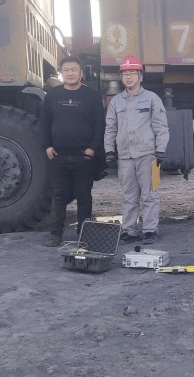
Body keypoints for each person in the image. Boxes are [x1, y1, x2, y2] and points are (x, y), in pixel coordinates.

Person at [104, 55, 169, 245]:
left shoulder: (152, 99)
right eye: (125, 74)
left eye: (132, 73)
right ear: (121, 77)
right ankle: (129, 230)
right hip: (125, 157)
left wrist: (160, 151)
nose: (129, 77)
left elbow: (161, 127)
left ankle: (150, 230)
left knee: (151, 193)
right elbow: (110, 128)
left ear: (141, 76)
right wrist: (109, 151)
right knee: (128, 196)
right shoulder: (116, 102)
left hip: (150, 156)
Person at [41, 56, 106, 247]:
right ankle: (55, 234)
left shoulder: (92, 96)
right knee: (58, 196)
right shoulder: (52, 96)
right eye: (66, 70)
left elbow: (100, 125)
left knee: (84, 195)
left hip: (84, 156)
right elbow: (44, 123)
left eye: (74, 70)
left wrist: (92, 149)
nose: (70, 73)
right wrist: (47, 146)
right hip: (58, 156)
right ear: (61, 73)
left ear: (81, 73)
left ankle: (84, 234)